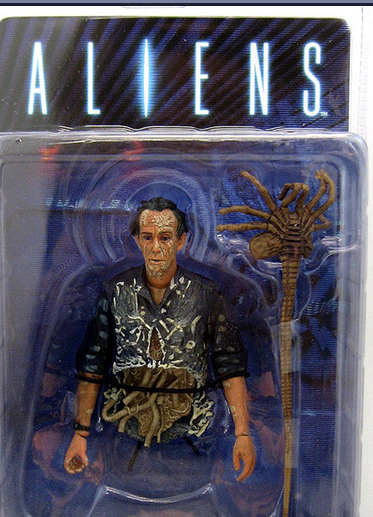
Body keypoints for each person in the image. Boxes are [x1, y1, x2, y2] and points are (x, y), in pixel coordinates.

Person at [63, 197, 256, 482]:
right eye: (148, 237)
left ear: (181, 241)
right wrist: (81, 434)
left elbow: (229, 365)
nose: (156, 247)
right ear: (137, 240)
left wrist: (242, 434)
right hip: (123, 435)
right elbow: (93, 364)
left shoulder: (206, 295)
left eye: (165, 238)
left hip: (193, 438)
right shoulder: (115, 292)